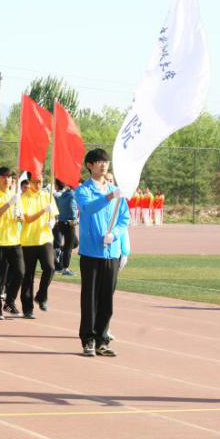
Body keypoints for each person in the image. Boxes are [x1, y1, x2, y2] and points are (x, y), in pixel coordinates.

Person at [74, 149, 130, 357]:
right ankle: (88, 339)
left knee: (107, 299)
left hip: (111, 252)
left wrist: (114, 235)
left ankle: (101, 340)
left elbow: (124, 218)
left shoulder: (116, 192)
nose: (103, 165)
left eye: (105, 161)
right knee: (90, 299)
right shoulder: (83, 190)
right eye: (98, 161)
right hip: (91, 253)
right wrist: (108, 197)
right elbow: (88, 209)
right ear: (89, 165)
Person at [0, 167, 25, 320]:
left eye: (8, 177)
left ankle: (9, 302)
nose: (6, 180)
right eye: (3, 177)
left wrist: (20, 216)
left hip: (14, 241)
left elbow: (22, 218)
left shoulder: (16, 196)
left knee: (20, 272)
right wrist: (9, 204)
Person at [19, 172, 57, 319]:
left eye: (40, 181)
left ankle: (41, 295)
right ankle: (27, 309)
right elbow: (27, 219)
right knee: (28, 275)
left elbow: (53, 215)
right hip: (28, 240)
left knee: (50, 267)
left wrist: (52, 221)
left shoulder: (48, 196)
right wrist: (43, 211)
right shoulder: (23, 198)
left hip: (45, 238)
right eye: (35, 182)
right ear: (29, 182)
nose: (38, 185)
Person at [52, 179, 78, 276]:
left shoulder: (63, 195)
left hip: (61, 222)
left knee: (73, 243)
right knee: (69, 247)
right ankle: (65, 268)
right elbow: (73, 209)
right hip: (69, 223)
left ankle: (59, 252)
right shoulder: (72, 195)